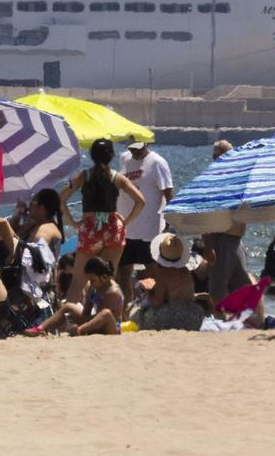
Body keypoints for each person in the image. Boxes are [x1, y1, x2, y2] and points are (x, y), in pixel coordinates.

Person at [61, 140, 144, 279]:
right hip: (112, 228)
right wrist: (126, 221)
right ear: (111, 155)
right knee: (108, 278)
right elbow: (140, 201)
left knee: (80, 280)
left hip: (89, 227)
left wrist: (73, 222)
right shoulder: (118, 178)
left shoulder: (84, 176)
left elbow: (61, 199)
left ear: (92, 155)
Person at [117, 139, 174, 290]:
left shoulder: (157, 163)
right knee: (122, 272)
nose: (134, 152)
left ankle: (157, 304)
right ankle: (126, 306)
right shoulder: (124, 158)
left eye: (138, 148)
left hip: (149, 229)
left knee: (152, 271)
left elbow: (169, 195)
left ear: (147, 144)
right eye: (131, 148)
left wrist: (169, 224)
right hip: (126, 228)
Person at [31, 257, 126, 336]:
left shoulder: (112, 292)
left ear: (104, 277)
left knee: (106, 313)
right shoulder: (93, 288)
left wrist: (80, 320)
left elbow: (102, 318)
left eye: (93, 280)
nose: (90, 283)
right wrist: (78, 318)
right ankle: (40, 328)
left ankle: (79, 331)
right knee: (68, 306)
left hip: (111, 328)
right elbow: (86, 312)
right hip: (93, 323)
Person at [132, 233, 204, 331]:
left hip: (173, 315)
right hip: (193, 315)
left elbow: (157, 303)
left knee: (137, 316)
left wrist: (148, 291)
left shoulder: (164, 273)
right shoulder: (186, 271)